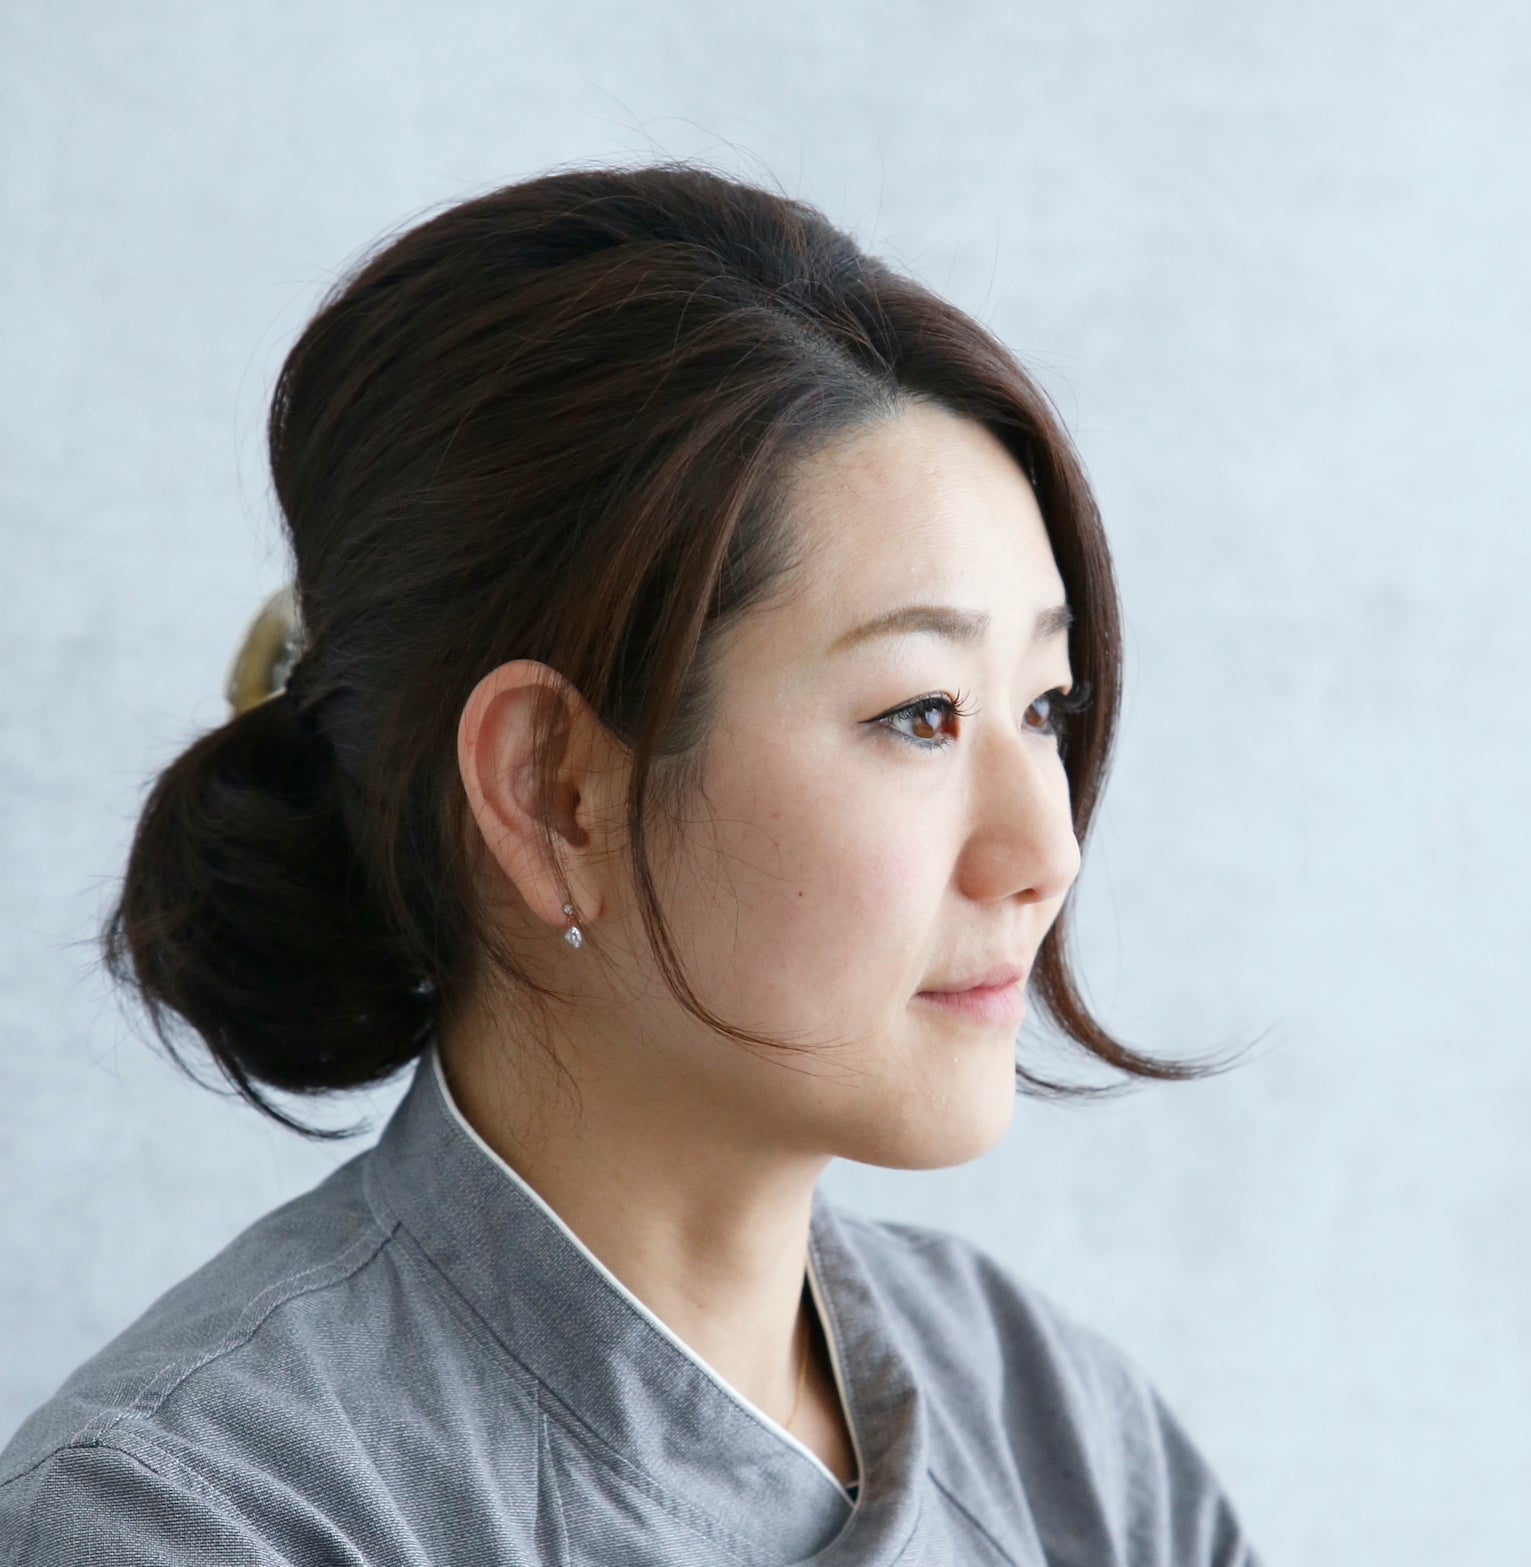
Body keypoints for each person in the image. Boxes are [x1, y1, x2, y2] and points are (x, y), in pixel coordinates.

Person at [0, 163, 1262, 1564]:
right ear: (557, 797)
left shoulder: (1060, 1432)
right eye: (922, 714)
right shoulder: (186, 1519)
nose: (1049, 853)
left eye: (1045, 707)